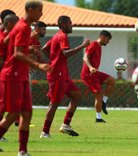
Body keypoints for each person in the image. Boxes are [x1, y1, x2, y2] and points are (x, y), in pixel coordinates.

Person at [0, 0, 51, 155]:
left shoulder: (23, 28)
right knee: (14, 113)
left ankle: (22, 151)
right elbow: (17, 53)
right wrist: (38, 65)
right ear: (30, 10)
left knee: (27, 114)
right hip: (12, 75)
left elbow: (10, 43)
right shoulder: (22, 27)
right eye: (39, 11)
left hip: (21, 75)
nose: (41, 14)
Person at [40, 15, 90, 138]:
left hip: (63, 75)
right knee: (54, 103)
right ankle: (45, 132)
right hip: (57, 75)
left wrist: (54, 59)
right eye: (69, 23)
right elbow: (66, 53)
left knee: (77, 96)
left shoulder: (57, 35)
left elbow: (45, 48)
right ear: (63, 24)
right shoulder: (62, 36)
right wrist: (82, 46)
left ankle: (65, 125)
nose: (71, 25)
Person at [14, 21, 48, 127]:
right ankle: (17, 119)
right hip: (19, 71)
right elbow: (19, 51)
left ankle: (18, 120)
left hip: (27, 71)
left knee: (23, 96)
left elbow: (37, 57)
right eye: (43, 29)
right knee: (19, 96)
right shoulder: (28, 38)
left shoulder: (37, 42)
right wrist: (32, 50)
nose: (45, 32)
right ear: (37, 29)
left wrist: (43, 64)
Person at [81, 30, 115, 123]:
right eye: (108, 39)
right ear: (103, 37)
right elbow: (85, 57)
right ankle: (98, 118)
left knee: (112, 81)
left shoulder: (99, 47)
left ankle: (104, 102)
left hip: (95, 73)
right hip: (89, 74)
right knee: (98, 94)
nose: (108, 42)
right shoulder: (93, 45)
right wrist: (91, 67)